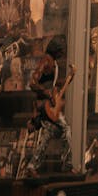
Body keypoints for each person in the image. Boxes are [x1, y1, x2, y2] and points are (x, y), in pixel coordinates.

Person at [25, 37, 75, 175]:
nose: (63, 53)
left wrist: (67, 80)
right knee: (66, 129)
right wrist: (46, 92)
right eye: (62, 50)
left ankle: (32, 166)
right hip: (45, 106)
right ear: (58, 50)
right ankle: (68, 164)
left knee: (48, 135)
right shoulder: (46, 60)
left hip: (48, 106)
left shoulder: (53, 62)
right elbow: (33, 82)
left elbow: (52, 83)